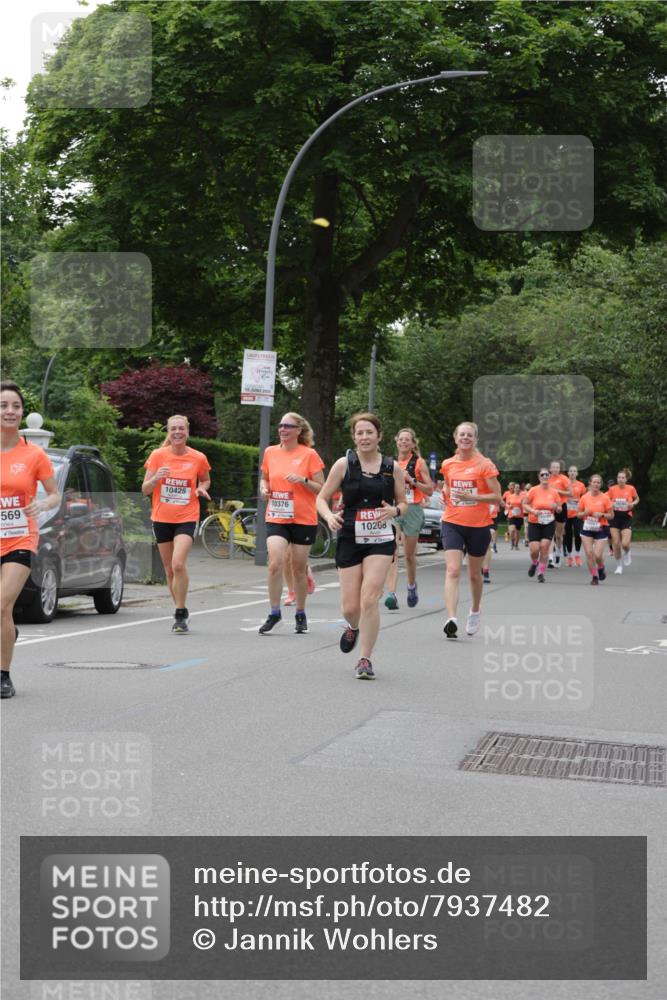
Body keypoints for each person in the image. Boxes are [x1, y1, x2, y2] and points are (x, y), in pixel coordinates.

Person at [317, 413, 406, 679]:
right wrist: (329, 516)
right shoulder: (343, 464)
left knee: (370, 598)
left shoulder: (392, 467)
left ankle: (365, 659)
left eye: (369, 432)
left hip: (380, 539)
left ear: (379, 436)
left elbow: (404, 503)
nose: (365, 437)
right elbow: (321, 498)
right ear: (354, 437)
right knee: (350, 608)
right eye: (360, 433)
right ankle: (353, 626)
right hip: (350, 537)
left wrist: (395, 511)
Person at [1, 381, 60, 698]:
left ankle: (3, 676)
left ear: (22, 412)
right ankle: (8, 633)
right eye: (3, 405)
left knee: (1, 604)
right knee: (3, 613)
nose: (10, 411)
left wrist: (43, 505)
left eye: (15, 406)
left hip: (20, 538)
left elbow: (54, 494)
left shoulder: (33, 454)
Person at [142, 415, 211, 633]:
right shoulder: (157, 456)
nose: (177, 432)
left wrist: (201, 488)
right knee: (169, 570)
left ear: (187, 432)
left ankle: (180, 613)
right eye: (173, 429)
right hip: (161, 518)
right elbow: (145, 489)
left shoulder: (198, 457)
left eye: (181, 428)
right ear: (168, 432)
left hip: (187, 517)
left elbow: (205, 479)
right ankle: (181, 610)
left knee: (178, 564)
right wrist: (156, 479)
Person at [258, 413, 325, 634]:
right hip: (277, 516)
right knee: (275, 563)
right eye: (281, 426)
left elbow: (321, 488)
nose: (283, 429)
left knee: (298, 569)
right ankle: (274, 613)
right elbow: (265, 477)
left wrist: (303, 480)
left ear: (299, 430)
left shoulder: (309, 454)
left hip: (303, 518)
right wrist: (264, 488)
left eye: (288, 426)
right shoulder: (270, 452)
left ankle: (300, 612)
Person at [439, 422, 501, 638]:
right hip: (452, 522)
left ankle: (475, 610)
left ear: (475, 439)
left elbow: (497, 497)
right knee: (453, 570)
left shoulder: (485, 464)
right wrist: (444, 494)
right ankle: (451, 618)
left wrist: (473, 497)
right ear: (455, 437)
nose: (465, 438)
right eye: (462, 434)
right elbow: (447, 485)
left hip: (479, 525)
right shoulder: (448, 464)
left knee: (474, 575)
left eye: (470, 435)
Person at [384, 428, 433, 610]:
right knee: (392, 551)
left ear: (413, 444)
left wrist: (412, 480)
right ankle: (392, 594)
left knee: (409, 556)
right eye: (401, 439)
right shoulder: (390, 462)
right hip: (395, 508)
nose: (403, 442)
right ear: (396, 441)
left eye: (407, 440)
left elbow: (430, 490)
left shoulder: (419, 463)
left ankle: (412, 586)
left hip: (412, 509)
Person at [524, 470, 562, 583]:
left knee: (544, 547)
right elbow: (524, 504)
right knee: (534, 550)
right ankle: (534, 563)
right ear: (539, 477)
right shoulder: (533, 490)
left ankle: (540, 573)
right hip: (534, 522)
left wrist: (556, 507)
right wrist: (533, 511)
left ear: (549, 477)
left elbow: (559, 509)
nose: (545, 476)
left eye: (547, 475)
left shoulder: (554, 492)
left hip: (549, 522)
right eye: (542, 475)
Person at [577, 474, 614, 585]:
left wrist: (602, 515)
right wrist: (584, 513)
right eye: (594, 482)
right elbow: (578, 514)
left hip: (601, 528)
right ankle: (594, 576)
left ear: (601, 484)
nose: (596, 484)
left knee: (597, 555)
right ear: (590, 483)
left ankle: (601, 567)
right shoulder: (584, 497)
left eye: (598, 482)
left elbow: (611, 515)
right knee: (589, 553)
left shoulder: (605, 498)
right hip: (587, 528)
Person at [607, 468, 639, 574]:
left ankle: (627, 552)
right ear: (617, 479)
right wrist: (611, 504)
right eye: (619, 477)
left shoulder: (631, 488)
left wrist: (633, 504)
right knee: (616, 543)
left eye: (623, 478)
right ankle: (619, 566)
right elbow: (606, 500)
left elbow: (637, 499)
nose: (620, 479)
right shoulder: (612, 489)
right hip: (614, 517)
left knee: (625, 544)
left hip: (626, 517)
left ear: (626, 479)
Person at [547, 460, 571, 567]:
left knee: (559, 535)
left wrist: (557, 491)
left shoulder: (564, 479)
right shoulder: (547, 478)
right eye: (554, 467)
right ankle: (551, 557)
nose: (556, 469)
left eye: (557, 467)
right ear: (550, 469)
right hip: (549, 507)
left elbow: (570, 493)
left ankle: (558, 553)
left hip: (561, 507)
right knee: (550, 533)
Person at [563, 465, 586, 566]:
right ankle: (569, 556)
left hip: (577, 513)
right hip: (566, 513)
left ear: (577, 473)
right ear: (568, 473)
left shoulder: (581, 485)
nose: (572, 473)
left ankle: (577, 555)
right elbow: (559, 496)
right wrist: (566, 500)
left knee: (577, 533)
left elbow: (585, 498)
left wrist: (579, 501)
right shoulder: (564, 484)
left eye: (574, 471)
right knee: (567, 534)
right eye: (571, 471)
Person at [503, 482, 525, 551]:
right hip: (511, 515)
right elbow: (506, 504)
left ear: (519, 489)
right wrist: (509, 506)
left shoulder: (522, 497)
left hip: (519, 516)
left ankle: (516, 545)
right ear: (514, 489)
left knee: (517, 532)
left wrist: (523, 506)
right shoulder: (510, 496)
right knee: (512, 530)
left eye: (518, 488)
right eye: (516, 487)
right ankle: (512, 543)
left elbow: (525, 505)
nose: (517, 489)